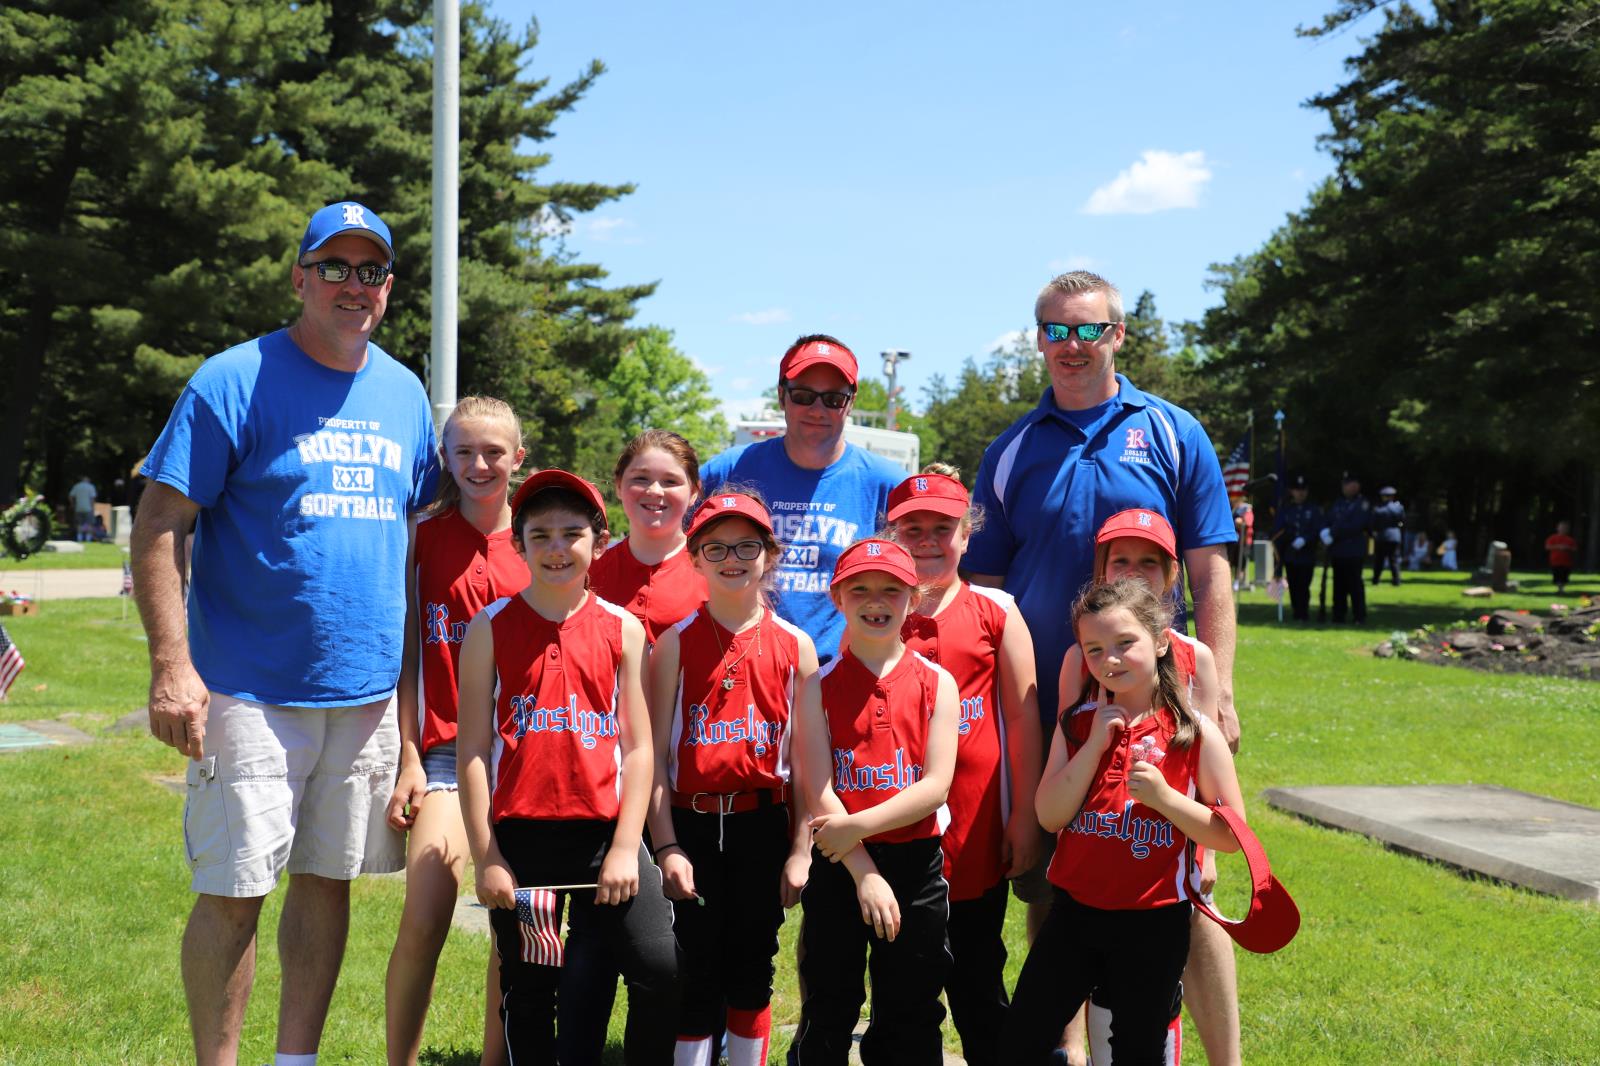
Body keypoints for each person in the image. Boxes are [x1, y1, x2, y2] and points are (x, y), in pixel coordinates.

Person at [132, 200, 439, 1066]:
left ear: (388, 287)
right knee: (234, 889)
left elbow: (412, 537)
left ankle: (293, 1061)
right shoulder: (233, 379)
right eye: (334, 267)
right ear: (299, 275)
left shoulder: (405, 392)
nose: (353, 285)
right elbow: (160, 521)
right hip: (247, 687)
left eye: (369, 270)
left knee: (327, 881)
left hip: (365, 693)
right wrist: (171, 666)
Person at [963, 270, 1237, 1006]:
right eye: (1056, 330)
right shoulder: (1013, 448)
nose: (1071, 345)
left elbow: (1210, 569)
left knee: (1186, 885)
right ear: (1040, 340)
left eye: (1088, 329)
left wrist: (1221, 695)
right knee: (1056, 879)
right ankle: (1072, 1050)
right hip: (1051, 705)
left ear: (1117, 334)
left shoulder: (1175, 433)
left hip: (1161, 699)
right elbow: (981, 591)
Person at [456, 468, 679, 1064]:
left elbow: (637, 748)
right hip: (524, 843)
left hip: (604, 836)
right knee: (532, 990)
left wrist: (628, 848)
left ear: (598, 542)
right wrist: (488, 857)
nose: (557, 548)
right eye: (542, 535)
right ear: (519, 543)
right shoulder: (490, 627)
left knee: (657, 965)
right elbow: (474, 750)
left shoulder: (622, 628)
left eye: (572, 533)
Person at [1002, 578, 1246, 1065]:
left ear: (1160, 642)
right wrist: (1093, 745)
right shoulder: (1076, 724)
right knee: (1022, 1038)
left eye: (1124, 644)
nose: (1109, 660)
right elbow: (1050, 815)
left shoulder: (1194, 733)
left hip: (1154, 920)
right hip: (1073, 913)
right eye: (1093, 649)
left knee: (1137, 1048)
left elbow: (1232, 834)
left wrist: (1166, 799)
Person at [1054, 509, 1239, 1066]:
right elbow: (1065, 744)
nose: (1135, 572)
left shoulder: (1193, 657)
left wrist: (1203, 848)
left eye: (1150, 563)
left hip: (1168, 846)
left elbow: (1204, 766)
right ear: (1102, 570)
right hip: (1096, 840)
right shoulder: (1080, 658)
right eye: (1122, 561)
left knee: (1169, 962)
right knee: (1083, 948)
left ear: (1172, 575)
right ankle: (1075, 1048)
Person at [647, 490, 818, 1066]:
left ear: (770, 554)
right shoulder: (673, 643)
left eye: (747, 546)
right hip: (691, 824)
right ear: (693, 557)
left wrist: (800, 850)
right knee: (692, 963)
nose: (732, 559)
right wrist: (665, 844)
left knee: (752, 961)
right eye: (715, 547)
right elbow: (649, 758)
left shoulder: (795, 646)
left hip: (761, 820)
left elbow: (808, 763)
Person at [384, 396, 528, 1066]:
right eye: (464, 450)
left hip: (526, 764)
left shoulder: (543, 542)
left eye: (493, 451)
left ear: (517, 458)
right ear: (445, 456)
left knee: (516, 930)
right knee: (425, 912)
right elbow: (410, 653)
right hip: (443, 755)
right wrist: (409, 755)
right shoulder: (423, 537)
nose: (478, 463)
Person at [884, 468, 1044, 1066]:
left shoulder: (994, 611)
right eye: (912, 528)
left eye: (943, 528)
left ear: (968, 535)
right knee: (904, 982)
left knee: (978, 975)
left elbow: (1025, 721)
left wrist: (1024, 817)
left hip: (976, 830)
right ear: (892, 533)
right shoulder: (875, 610)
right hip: (898, 833)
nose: (927, 539)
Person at [790, 537, 960, 1064]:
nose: (876, 601)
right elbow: (817, 789)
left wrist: (854, 829)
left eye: (891, 589)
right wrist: (864, 871)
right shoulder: (817, 686)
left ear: (913, 598)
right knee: (830, 1002)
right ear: (837, 597)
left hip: (914, 865)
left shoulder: (939, 683)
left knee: (911, 1008)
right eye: (859, 589)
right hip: (840, 864)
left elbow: (935, 788)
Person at [699, 335, 904, 664]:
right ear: (782, 396)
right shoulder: (730, 470)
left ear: (850, 402)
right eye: (804, 396)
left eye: (833, 399)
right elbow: (676, 549)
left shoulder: (885, 483)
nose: (817, 409)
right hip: (745, 667)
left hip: (841, 676)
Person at [590, 430, 709, 644]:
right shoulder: (588, 570)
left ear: (693, 492)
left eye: (670, 481)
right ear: (618, 485)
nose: (655, 490)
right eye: (641, 479)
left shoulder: (715, 571)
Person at [1271, 474, 1323, 622]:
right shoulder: (1286, 509)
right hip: (1291, 554)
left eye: (1303, 490)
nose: (1300, 493)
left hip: (1307, 554)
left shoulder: (1313, 509)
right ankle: (1296, 612)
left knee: (1304, 584)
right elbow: (1279, 531)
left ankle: (1304, 612)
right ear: (1292, 491)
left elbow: (1316, 528)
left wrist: (1305, 539)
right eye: (1297, 489)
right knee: (1293, 584)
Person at [1323, 472, 1371, 623]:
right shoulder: (1339, 503)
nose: (1345, 487)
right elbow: (1330, 518)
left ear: (1356, 486)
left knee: (1355, 584)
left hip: (1353, 550)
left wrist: (1333, 533)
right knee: (1339, 585)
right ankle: (1338, 615)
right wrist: (1325, 530)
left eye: (1348, 484)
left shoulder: (1363, 503)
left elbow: (1356, 525)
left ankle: (1359, 616)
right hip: (1338, 551)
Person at [1371, 486, 1404, 587]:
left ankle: (1376, 580)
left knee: (1379, 560)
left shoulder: (1378, 509)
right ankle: (1396, 580)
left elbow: (1374, 523)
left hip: (1382, 536)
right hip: (1395, 536)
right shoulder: (1399, 508)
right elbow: (1402, 521)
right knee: (1394, 559)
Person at [1545, 521, 1579, 595]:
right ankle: (1559, 589)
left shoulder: (1570, 540)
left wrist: (1567, 548)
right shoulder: (1552, 538)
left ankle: (1561, 589)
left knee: (1564, 576)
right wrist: (1558, 547)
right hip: (1555, 561)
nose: (1563, 529)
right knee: (1557, 575)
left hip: (1567, 562)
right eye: (1561, 528)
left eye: (1565, 528)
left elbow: (1574, 549)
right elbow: (1547, 547)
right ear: (1557, 528)